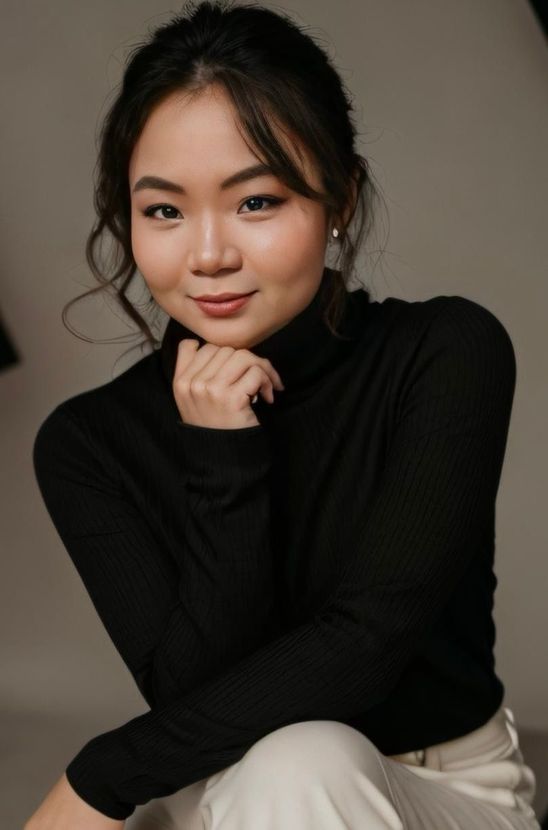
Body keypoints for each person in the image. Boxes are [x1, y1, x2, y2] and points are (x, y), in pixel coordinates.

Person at [27, 1, 541, 828]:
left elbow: (364, 645)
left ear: (338, 197)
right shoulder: (89, 443)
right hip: (220, 790)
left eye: (255, 202)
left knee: (304, 761)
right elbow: (195, 697)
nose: (208, 255)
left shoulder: (445, 352)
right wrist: (221, 451)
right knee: (279, 769)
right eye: (164, 210)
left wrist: (99, 779)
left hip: (439, 793)